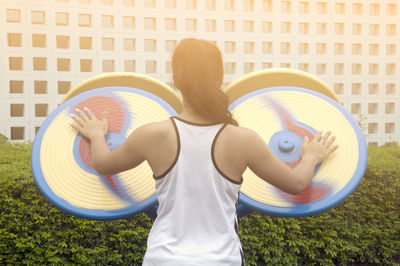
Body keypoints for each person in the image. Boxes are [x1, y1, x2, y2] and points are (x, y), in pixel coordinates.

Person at [70, 38, 338, 266]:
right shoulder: (243, 139)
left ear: (176, 80)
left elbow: (103, 163)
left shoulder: (153, 134)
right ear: (220, 78)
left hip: (164, 259)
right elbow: (296, 184)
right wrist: (311, 156)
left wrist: (96, 135)